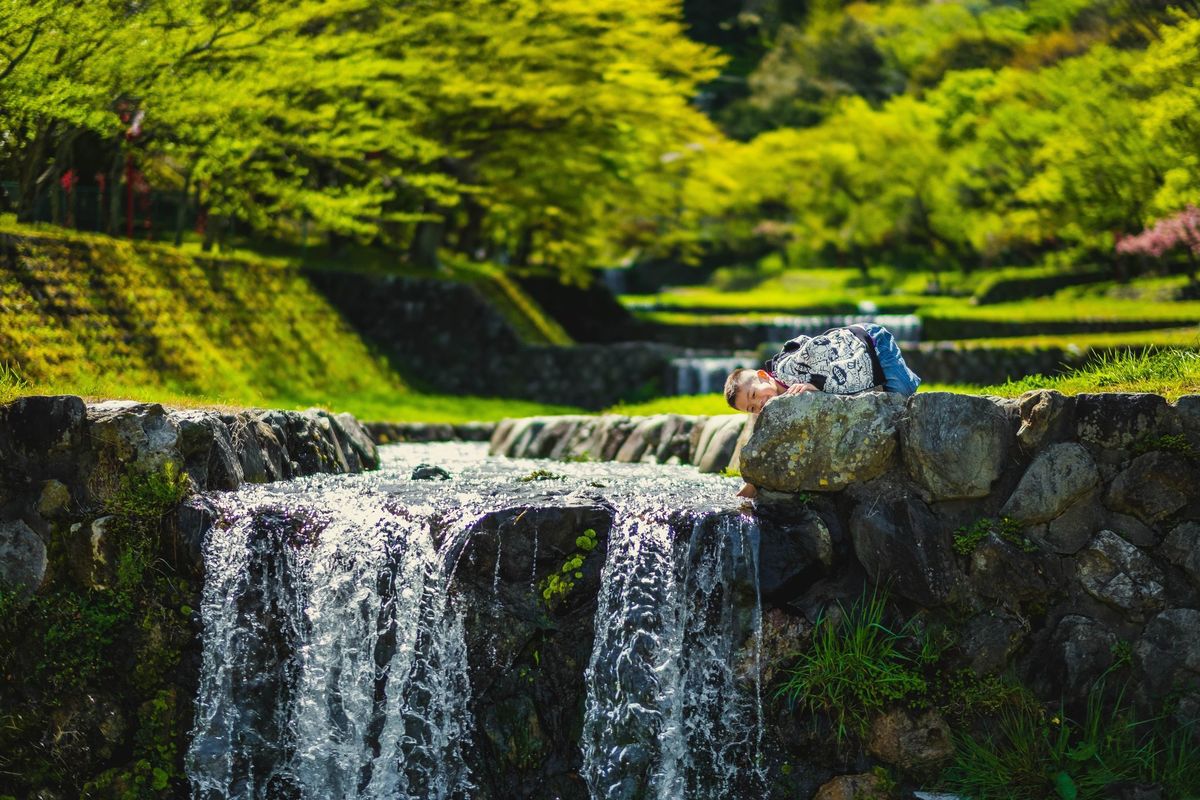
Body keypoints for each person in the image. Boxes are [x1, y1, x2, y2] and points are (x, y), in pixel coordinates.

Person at [723, 322, 921, 498]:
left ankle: (893, 381)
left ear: (764, 376)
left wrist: (817, 383)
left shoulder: (788, 368)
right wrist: (754, 481)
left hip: (871, 345)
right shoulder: (776, 404)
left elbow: (819, 347)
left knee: (904, 393)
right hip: (861, 362)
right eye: (752, 407)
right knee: (888, 401)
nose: (760, 404)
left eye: (754, 395)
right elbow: (766, 437)